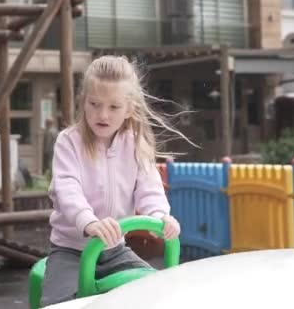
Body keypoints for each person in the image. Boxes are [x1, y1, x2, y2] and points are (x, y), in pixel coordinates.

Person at [41, 55, 189, 307]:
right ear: (83, 102)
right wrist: (89, 222)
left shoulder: (135, 144)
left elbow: (149, 189)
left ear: (129, 108)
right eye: (94, 104)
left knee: (156, 292)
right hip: (71, 250)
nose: (103, 114)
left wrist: (161, 215)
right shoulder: (69, 141)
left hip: (115, 249)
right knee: (58, 304)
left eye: (113, 107)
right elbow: (67, 190)